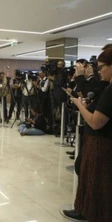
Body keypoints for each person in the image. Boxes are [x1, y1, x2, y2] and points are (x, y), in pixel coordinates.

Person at [64, 48, 112, 222]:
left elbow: (95, 121)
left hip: (100, 143)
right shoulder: (107, 88)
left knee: (94, 180)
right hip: (99, 141)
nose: (100, 71)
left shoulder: (110, 91)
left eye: (102, 67)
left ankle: (91, 212)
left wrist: (79, 105)